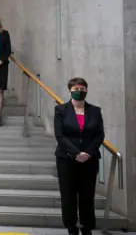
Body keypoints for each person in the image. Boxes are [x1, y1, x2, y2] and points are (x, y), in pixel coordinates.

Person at [54, 78, 104, 235]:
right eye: (76, 89)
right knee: (68, 195)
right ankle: (71, 227)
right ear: (70, 90)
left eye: (82, 89)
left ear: (87, 90)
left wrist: (87, 153)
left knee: (87, 195)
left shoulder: (95, 111)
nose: (79, 91)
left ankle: (87, 227)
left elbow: (99, 135)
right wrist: (76, 154)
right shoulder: (61, 110)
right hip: (67, 160)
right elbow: (60, 135)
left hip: (89, 160)